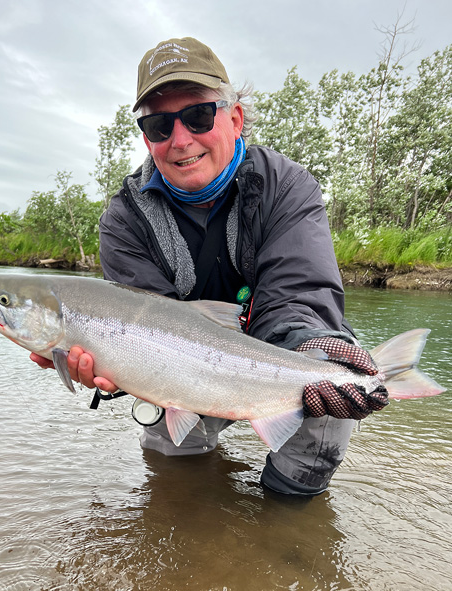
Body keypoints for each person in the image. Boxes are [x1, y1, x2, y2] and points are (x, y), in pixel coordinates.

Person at [31, 37, 388, 496]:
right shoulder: (123, 220)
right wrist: (106, 369)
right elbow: (135, 334)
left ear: (234, 118)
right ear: (147, 137)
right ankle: (194, 531)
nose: (181, 140)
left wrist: (317, 349)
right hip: (179, 362)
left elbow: (299, 294)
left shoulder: (286, 187)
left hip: (277, 348)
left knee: (326, 394)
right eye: (159, 125)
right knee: (175, 478)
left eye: (198, 116)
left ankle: (288, 517)